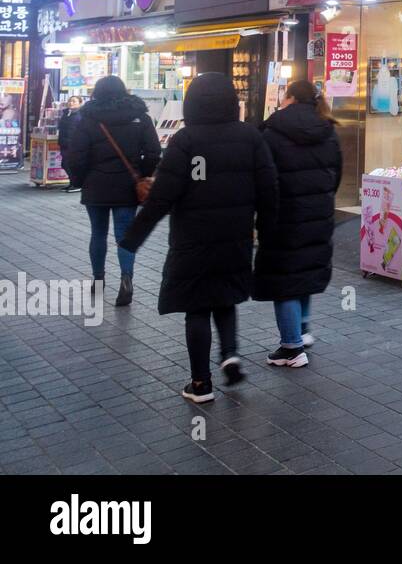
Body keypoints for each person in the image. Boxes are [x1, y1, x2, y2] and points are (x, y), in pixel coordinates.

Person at [121, 73, 278, 404]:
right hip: (235, 236)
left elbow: (162, 196)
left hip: (192, 239)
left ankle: (201, 383)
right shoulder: (250, 137)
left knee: (196, 307)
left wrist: (133, 237)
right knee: (225, 296)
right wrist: (267, 232)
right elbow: (269, 191)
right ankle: (230, 355)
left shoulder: (185, 141)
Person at [254, 81, 341, 368]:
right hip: (318, 215)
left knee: (284, 281)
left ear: (290, 98)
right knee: (304, 271)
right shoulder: (327, 129)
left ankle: (291, 348)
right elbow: (336, 174)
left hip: (283, 217)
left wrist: (260, 214)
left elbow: (264, 179)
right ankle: (302, 331)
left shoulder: (272, 132)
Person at [61, 77, 161, 306]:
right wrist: (141, 174)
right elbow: (154, 152)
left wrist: (81, 179)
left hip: (95, 185)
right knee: (124, 234)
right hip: (127, 186)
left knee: (98, 234)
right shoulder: (140, 117)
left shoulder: (88, 119)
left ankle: (98, 280)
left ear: (97, 92)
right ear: (124, 91)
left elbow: (76, 156)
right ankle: (126, 279)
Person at [57, 96, 86, 193]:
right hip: (64, 143)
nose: (71, 103)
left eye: (74, 101)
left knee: (69, 164)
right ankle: (72, 183)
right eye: (70, 101)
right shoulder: (66, 113)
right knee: (65, 164)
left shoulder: (80, 115)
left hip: (74, 144)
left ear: (80, 103)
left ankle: (77, 184)